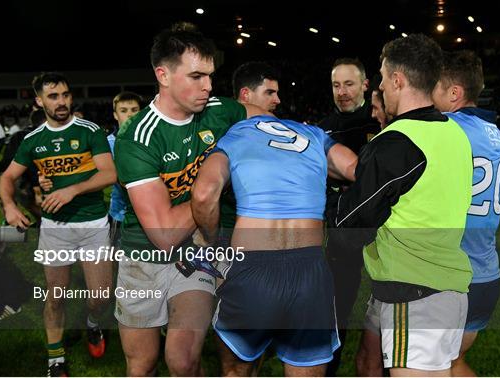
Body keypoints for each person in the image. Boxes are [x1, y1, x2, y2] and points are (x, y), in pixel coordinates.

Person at [113, 24, 261, 376]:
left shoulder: (219, 110)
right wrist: (207, 192)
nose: (208, 86)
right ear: (162, 75)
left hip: (196, 254)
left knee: (182, 359)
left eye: (210, 76)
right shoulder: (137, 138)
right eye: (196, 76)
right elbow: (162, 235)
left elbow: (265, 124)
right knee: (141, 364)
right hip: (143, 261)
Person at [333, 34, 473, 376]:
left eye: (382, 76)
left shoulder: (396, 142)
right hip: (448, 286)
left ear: (398, 80)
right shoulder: (455, 133)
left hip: (414, 295)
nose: (379, 85)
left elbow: (351, 226)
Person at [190, 113, 358, 376]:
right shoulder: (314, 134)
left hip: (253, 269)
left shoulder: (235, 134)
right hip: (310, 271)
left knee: (237, 369)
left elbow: (203, 195)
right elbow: (355, 169)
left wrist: (212, 242)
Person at [0, 72, 116, 377]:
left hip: (92, 224)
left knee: (100, 298)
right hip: (55, 229)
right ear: (39, 101)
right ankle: (56, 360)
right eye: (53, 96)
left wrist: (71, 190)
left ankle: (92, 325)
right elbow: (8, 178)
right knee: (56, 296)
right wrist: (9, 206)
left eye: (65, 94)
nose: (62, 101)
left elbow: (108, 174)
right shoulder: (32, 140)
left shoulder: (90, 131)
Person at [432, 50, 500, 377]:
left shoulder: (446, 129)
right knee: (453, 363)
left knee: (426, 368)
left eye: (434, 86)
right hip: (486, 274)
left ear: (454, 93)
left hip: (453, 279)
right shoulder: (498, 137)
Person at [318, 57, 380, 376]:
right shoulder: (322, 127)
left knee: (388, 310)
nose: (342, 91)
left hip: (384, 233)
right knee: (336, 313)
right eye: (336, 85)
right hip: (341, 235)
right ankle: (329, 368)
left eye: (349, 84)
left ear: (365, 85)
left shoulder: (382, 120)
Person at [107, 91, 143, 246]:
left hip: (151, 212)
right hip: (120, 214)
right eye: (123, 111)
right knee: (117, 259)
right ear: (115, 115)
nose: (130, 115)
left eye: (134, 110)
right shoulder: (107, 144)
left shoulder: (152, 140)